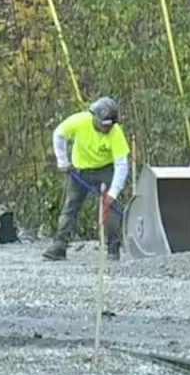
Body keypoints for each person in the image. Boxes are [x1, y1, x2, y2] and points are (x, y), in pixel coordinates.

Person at [42, 96, 130, 261]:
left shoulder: (116, 133)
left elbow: (121, 164)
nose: (106, 129)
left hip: (105, 170)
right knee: (70, 207)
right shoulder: (80, 121)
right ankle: (59, 246)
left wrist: (113, 193)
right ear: (94, 117)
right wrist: (62, 161)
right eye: (103, 125)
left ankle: (113, 249)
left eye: (109, 126)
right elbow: (58, 134)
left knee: (111, 208)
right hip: (80, 171)